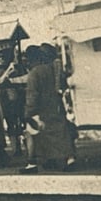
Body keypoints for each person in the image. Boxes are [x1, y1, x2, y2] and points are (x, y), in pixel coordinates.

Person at [19, 44, 77, 173]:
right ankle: (70, 159)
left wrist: (29, 111)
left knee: (31, 134)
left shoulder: (35, 72)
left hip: (41, 108)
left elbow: (32, 94)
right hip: (56, 104)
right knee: (61, 132)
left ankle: (32, 164)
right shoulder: (56, 69)